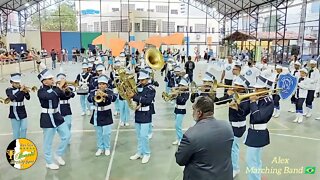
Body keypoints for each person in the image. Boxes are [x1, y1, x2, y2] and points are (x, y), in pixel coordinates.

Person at [175, 96, 233, 180]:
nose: (192, 113)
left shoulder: (191, 135)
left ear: (199, 113)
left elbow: (180, 160)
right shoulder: (227, 127)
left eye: (193, 109)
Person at [37, 69, 71, 170]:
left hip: (57, 115)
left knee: (67, 135)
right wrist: (60, 87)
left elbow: (65, 96)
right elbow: (50, 96)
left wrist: (65, 90)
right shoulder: (41, 91)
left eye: (52, 78)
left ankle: (58, 154)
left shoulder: (56, 88)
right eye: (50, 79)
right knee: (48, 142)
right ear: (44, 81)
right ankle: (48, 162)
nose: (53, 80)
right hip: (47, 117)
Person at [245, 80, 274, 180]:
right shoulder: (259, 99)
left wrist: (253, 102)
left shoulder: (268, 102)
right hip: (253, 132)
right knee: (255, 160)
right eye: (255, 88)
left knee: (251, 161)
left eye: (258, 88)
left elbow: (258, 117)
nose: (255, 90)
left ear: (266, 89)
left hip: (259, 133)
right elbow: (246, 113)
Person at [128, 69, 156, 164]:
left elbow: (147, 100)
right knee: (139, 136)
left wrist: (134, 96)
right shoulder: (138, 87)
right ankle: (139, 152)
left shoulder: (151, 89)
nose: (141, 81)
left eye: (143, 80)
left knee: (144, 136)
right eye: (140, 80)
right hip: (138, 114)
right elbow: (136, 98)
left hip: (146, 114)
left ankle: (147, 153)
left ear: (147, 79)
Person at [88, 74, 117, 156]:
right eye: (100, 84)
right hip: (97, 114)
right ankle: (100, 148)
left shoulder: (109, 91)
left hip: (106, 114)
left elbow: (114, 98)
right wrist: (94, 96)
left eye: (103, 84)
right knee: (99, 133)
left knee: (106, 133)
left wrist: (106, 95)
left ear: (106, 85)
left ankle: (107, 148)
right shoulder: (93, 91)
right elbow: (89, 99)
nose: (101, 86)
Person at [6, 73, 30, 139]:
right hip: (13, 111)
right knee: (16, 131)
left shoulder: (21, 89)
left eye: (18, 83)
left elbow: (28, 98)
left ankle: (23, 142)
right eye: (15, 83)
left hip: (22, 110)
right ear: (12, 83)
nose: (17, 84)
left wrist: (26, 92)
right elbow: (11, 98)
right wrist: (20, 90)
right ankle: (16, 145)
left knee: (24, 128)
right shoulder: (9, 90)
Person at [56, 73, 75, 144]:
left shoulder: (68, 88)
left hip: (67, 107)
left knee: (69, 123)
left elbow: (72, 95)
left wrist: (67, 89)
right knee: (60, 124)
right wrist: (60, 89)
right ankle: (63, 137)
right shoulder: (56, 89)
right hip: (59, 106)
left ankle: (68, 137)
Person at [172, 76, 190, 145]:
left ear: (186, 86)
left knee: (178, 125)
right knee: (176, 126)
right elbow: (175, 99)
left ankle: (181, 139)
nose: (180, 86)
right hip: (176, 109)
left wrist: (177, 95)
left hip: (181, 110)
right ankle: (178, 138)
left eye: (182, 85)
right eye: (180, 85)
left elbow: (183, 101)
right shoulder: (179, 91)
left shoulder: (186, 93)